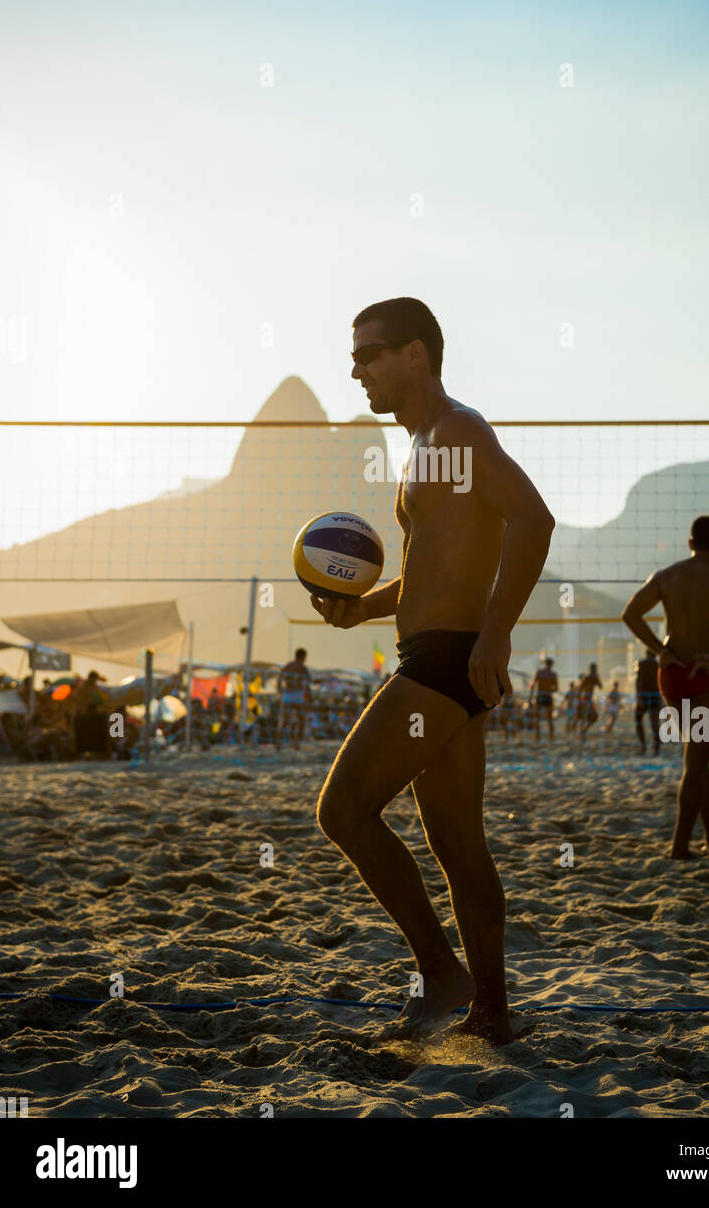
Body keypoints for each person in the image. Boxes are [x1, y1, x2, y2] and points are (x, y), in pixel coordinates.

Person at [311, 297, 555, 1044]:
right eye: (352, 357)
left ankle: (441, 971)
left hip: (448, 660)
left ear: (415, 354)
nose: (356, 370)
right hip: (435, 654)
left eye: (369, 355)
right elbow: (429, 573)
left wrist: (496, 635)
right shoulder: (421, 448)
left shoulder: (458, 430)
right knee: (457, 844)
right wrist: (362, 609)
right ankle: (492, 1014)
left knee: (342, 811)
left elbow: (533, 519)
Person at [621, 515, 709, 859]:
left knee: (699, 757)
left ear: (690, 543)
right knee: (696, 762)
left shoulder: (666, 575)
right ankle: (679, 846)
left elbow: (630, 614)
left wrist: (659, 650)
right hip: (706, 672)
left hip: (672, 672)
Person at [278, 649, 310, 749]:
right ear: (303, 657)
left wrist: (279, 688)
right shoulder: (303, 668)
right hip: (297, 695)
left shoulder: (288, 666)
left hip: (288, 694)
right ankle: (295, 743)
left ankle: (278, 744)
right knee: (301, 721)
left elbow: (280, 677)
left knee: (285, 721)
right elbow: (308, 682)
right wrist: (308, 696)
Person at [634, 649, 662, 755]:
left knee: (638, 720)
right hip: (655, 696)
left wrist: (638, 696)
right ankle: (656, 746)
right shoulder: (658, 664)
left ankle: (643, 745)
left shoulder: (642, 664)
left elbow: (638, 681)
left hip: (644, 695)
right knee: (654, 722)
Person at [529, 656, 558, 741]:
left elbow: (533, 686)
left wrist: (530, 697)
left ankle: (538, 738)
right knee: (549, 719)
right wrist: (549, 688)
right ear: (551, 665)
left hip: (540, 696)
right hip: (547, 696)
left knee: (537, 718)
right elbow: (556, 688)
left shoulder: (539, 672)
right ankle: (551, 738)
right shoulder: (553, 674)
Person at [576, 663, 602, 739]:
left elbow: (600, 686)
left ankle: (582, 732)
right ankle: (582, 732)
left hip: (586, 699)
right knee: (588, 717)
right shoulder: (589, 677)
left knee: (588, 717)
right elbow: (581, 688)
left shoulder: (591, 677)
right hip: (586, 699)